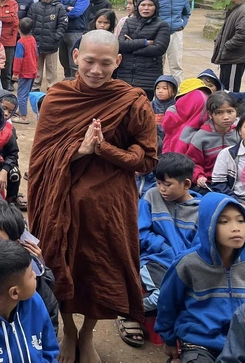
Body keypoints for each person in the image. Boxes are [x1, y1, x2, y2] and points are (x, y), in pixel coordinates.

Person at [28, 29, 158, 363]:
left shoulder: (133, 101)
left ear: (117, 61)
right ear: (75, 57)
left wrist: (104, 149)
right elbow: (41, 158)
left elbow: (147, 159)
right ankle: (69, 331)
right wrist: (79, 149)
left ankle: (87, 335)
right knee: (61, 262)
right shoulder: (57, 97)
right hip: (60, 199)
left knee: (101, 270)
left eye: (104, 63)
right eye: (89, 61)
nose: (96, 70)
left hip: (110, 206)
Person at [156, 192, 245, 363]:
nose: (236, 227)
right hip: (197, 341)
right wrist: (169, 339)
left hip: (239, 342)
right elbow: (168, 303)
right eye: (224, 221)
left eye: (241, 220)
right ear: (209, 224)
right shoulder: (188, 263)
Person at [116, 153, 201, 347]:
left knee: (190, 298)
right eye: (158, 182)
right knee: (163, 296)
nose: (161, 188)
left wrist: (185, 260)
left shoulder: (200, 208)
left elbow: (200, 243)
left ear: (186, 184)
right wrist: (163, 248)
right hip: (156, 260)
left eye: (168, 184)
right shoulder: (151, 196)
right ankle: (127, 310)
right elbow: (140, 232)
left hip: (186, 267)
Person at [115, 0, 171, 100]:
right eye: (143, 5)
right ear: (138, 6)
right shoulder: (129, 22)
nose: (146, 8)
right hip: (125, 75)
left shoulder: (162, 25)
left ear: (156, 7)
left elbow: (158, 49)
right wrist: (145, 42)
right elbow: (121, 44)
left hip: (148, 77)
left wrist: (132, 48)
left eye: (150, 5)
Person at [184, 91, 238, 192]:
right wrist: (199, 176)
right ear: (210, 114)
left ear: (236, 111)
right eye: (219, 113)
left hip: (235, 182)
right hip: (209, 183)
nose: (226, 117)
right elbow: (193, 162)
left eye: (230, 111)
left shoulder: (239, 134)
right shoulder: (201, 137)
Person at [212, 110, 245, 209]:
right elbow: (218, 184)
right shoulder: (227, 154)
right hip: (236, 201)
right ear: (240, 130)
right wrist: (237, 203)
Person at [29, 0, 68, 91]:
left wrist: (56, 37)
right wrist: (31, 38)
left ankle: (52, 88)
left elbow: (63, 24)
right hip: (36, 43)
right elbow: (29, 22)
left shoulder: (59, 7)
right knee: (36, 68)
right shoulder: (35, 6)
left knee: (51, 69)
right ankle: (36, 87)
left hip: (52, 44)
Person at [212, 0, 245, 92]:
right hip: (227, 58)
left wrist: (226, 46)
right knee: (224, 89)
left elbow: (243, 35)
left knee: (230, 92)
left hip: (234, 59)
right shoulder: (234, 9)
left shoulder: (244, 11)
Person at [158, 0, 191, 85]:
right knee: (158, 63)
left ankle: (178, 92)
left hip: (176, 33)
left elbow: (186, 13)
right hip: (160, 34)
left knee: (176, 64)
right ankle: (158, 89)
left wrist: (182, 24)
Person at [58, 0, 91, 78]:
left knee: (74, 63)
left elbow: (76, 12)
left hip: (76, 32)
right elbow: (57, 7)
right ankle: (67, 83)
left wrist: (63, 11)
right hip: (63, 31)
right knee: (64, 61)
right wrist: (67, 7)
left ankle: (76, 85)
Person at [13, 17, 38, 125]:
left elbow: (18, 59)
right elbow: (36, 54)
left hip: (25, 72)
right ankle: (21, 110)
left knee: (21, 94)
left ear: (19, 29)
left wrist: (15, 73)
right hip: (32, 70)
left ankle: (23, 116)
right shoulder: (32, 39)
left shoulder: (20, 42)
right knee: (26, 93)